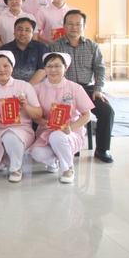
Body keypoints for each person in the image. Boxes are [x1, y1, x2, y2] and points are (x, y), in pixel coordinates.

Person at [50, 9, 114, 163]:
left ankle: (102, 149)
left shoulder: (92, 46)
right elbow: (51, 70)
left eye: (78, 24)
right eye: (70, 24)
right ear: (64, 26)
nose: (74, 27)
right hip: (65, 88)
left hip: (87, 89)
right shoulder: (55, 46)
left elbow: (100, 69)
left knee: (107, 111)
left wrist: (98, 89)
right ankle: (66, 146)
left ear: (84, 26)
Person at [0, 51, 42, 182]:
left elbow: (38, 113)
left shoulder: (24, 86)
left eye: (6, 66)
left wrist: (25, 106)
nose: (2, 70)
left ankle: (16, 169)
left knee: (10, 136)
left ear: (12, 67)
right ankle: (8, 157)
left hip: (21, 129)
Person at [29, 52, 94, 183]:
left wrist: (70, 128)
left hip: (70, 132)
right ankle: (54, 162)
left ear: (66, 67)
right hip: (46, 131)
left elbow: (87, 115)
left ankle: (68, 168)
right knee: (36, 153)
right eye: (49, 66)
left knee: (57, 136)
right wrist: (44, 122)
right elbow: (35, 115)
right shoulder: (37, 89)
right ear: (44, 68)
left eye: (58, 66)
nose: (53, 70)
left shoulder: (75, 88)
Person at [3, 17, 49, 85]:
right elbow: (3, 71)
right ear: (14, 32)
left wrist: (27, 87)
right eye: (20, 29)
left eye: (27, 30)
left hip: (36, 86)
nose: (23, 33)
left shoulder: (41, 48)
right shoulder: (5, 49)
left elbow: (43, 70)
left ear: (32, 33)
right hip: (11, 87)